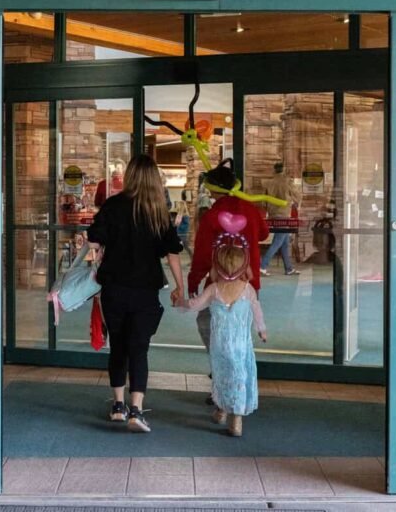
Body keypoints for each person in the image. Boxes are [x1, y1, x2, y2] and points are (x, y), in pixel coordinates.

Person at [87, 154, 184, 433]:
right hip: (145, 291)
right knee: (139, 349)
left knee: (118, 345)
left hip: (114, 288)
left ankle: (118, 406)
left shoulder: (113, 206)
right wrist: (180, 287)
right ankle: (137, 411)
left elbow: (94, 239)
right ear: (155, 180)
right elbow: (172, 254)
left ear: (129, 176)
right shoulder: (157, 212)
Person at [179, 238, 267, 437]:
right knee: (239, 377)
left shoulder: (214, 289)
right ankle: (236, 419)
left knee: (222, 376)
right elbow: (257, 310)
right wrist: (261, 329)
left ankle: (222, 410)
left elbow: (194, 305)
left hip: (219, 344)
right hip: (241, 344)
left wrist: (180, 303)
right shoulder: (247, 290)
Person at [188, 158, 269, 354]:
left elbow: (203, 254)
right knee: (241, 329)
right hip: (248, 280)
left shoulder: (211, 216)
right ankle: (238, 366)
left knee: (207, 322)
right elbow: (264, 234)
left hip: (220, 281)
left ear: (213, 189)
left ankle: (220, 366)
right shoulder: (251, 210)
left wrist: (193, 282)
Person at [260, 162, 301, 276]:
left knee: (284, 243)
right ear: (283, 169)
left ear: (274, 170)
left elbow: (264, 202)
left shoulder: (269, 183)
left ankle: (289, 268)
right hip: (284, 214)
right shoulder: (288, 181)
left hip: (273, 214)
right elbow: (297, 195)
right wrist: (295, 203)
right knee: (278, 242)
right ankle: (262, 266)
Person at [174, 194, 192, 259]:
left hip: (183, 233)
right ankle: (173, 259)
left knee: (186, 247)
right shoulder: (179, 214)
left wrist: (179, 226)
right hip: (179, 233)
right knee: (175, 246)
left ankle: (192, 258)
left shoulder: (185, 215)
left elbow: (186, 224)